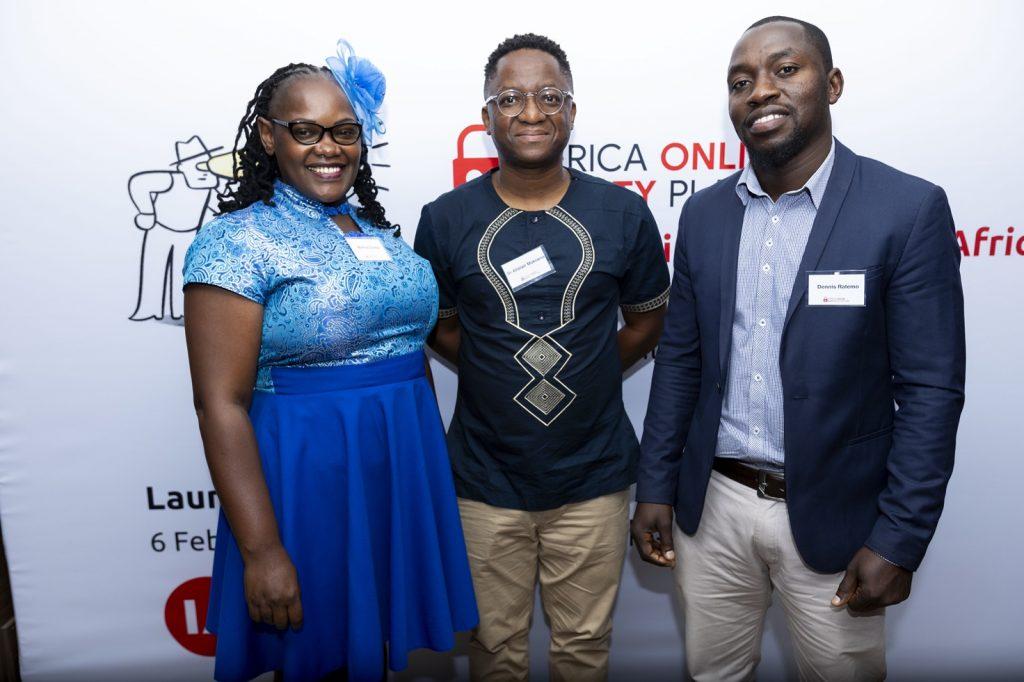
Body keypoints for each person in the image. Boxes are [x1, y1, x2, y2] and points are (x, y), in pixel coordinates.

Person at [631, 16, 965, 681]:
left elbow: (930, 390)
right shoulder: (704, 214)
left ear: (832, 84)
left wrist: (899, 536)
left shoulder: (906, 208)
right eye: (740, 81)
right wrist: (656, 486)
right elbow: (681, 362)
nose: (760, 91)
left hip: (838, 519)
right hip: (714, 509)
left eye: (786, 70)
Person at [182, 40, 477, 682]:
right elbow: (219, 404)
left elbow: (408, 351)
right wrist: (261, 550)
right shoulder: (236, 242)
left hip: (396, 468)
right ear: (268, 136)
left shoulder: (373, 230)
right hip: (305, 477)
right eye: (306, 130)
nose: (328, 147)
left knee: (370, 654)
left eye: (344, 131)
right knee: (317, 659)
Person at [415, 33, 669, 682]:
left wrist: (587, 367)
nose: (531, 112)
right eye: (512, 98)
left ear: (573, 111)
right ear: (487, 118)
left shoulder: (623, 213)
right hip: (483, 481)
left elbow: (647, 322)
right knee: (494, 651)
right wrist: (496, 370)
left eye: (549, 96)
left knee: (583, 649)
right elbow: (439, 329)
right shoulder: (444, 220)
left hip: (592, 479)